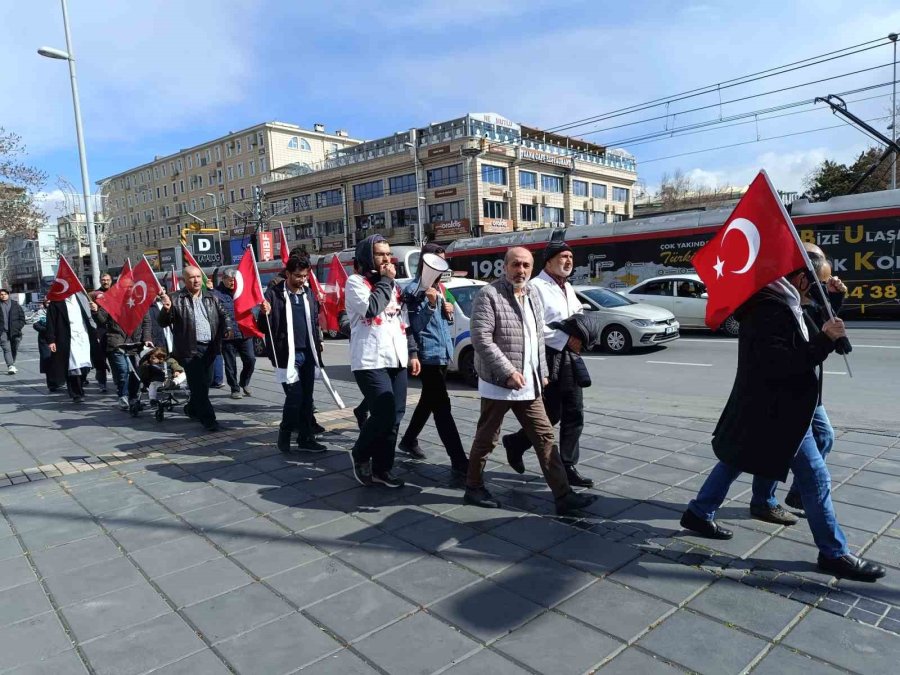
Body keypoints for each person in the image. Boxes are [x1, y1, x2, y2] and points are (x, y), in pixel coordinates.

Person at [679, 256, 885, 582]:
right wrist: (824, 340)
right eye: (818, 282)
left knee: (738, 458)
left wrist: (832, 302)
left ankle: (700, 512)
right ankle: (833, 552)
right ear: (803, 281)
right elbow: (782, 362)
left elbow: (815, 326)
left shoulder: (786, 300)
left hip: (781, 404)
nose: (819, 288)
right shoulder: (770, 308)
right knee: (816, 479)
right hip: (780, 407)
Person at [464, 247, 596, 516]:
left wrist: (542, 371)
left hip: (529, 383)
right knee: (487, 438)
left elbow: (537, 337)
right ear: (505, 266)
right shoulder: (489, 294)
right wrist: (507, 371)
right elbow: (481, 339)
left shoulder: (532, 293)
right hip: (499, 383)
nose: (520, 270)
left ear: (532, 267)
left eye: (525, 265)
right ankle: (473, 487)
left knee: (545, 437)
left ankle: (563, 495)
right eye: (515, 264)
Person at [503, 240, 593, 488]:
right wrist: (567, 338)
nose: (568, 261)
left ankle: (567, 465)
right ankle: (516, 443)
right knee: (551, 413)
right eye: (563, 256)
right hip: (549, 358)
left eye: (571, 258)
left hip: (570, 358)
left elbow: (577, 316)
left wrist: (581, 335)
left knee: (575, 412)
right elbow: (534, 326)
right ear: (549, 261)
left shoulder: (567, 287)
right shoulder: (536, 287)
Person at [345, 234, 420, 488]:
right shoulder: (356, 282)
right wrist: (386, 280)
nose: (387, 259)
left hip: (396, 358)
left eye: (389, 254)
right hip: (370, 359)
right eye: (380, 254)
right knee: (383, 412)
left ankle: (383, 468)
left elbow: (403, 322)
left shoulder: (394, 286)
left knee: (396, 415)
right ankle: (360, 453)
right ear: (368, 257)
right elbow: (371, 308)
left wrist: (412, 353)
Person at [397, 243, 469, 476]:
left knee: (428, 401)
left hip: (442, 353)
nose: (440, 267)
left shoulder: (439, 288)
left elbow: (441, 324)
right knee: (441, 406)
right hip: (428, 355)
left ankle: (408, 440)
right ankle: (459, 460)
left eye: (442, 261)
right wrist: (429, 305)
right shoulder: (413, 290)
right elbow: (414, 326)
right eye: (435, 262)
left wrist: (446, 312)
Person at [260, 255, 327, 453]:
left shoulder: (308, 293)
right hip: (286, 354)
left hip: (308, 352)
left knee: (307, 398)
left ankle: (306, 438)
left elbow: (313, 322)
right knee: (295, 396)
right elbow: (264, 328)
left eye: (305, 276)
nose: (302, 280)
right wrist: (264, 313)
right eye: (297, 276)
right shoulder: (274, 294)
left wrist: (318, 343)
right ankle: (285, 430)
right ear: (287, 274)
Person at [159, 265, 228, 432]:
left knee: (205, 384)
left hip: (210, 348)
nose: (196, 280)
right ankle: (209, 420)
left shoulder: (211, 297)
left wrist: (228, 327)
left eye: (198, 277)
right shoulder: (175, 298)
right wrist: (167, 310)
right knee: (197, 385)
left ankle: (191, 408)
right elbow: (163, 322)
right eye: (192, 277)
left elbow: (224, 315)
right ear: (184, 280)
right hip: (189, 349)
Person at [95, 307, 153, 409]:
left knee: (136, 371)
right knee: (123, 370)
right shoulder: (114, 300)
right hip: (117, 343)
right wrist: (95, 311)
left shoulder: (140, 302)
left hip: (135, 343)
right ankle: (123, 395)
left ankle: (133, 397)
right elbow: (101, 321)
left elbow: (147, 323)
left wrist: (147, 338)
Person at [45, 293, 97, 403]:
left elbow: (89, 317)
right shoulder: (56, 302)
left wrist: (94, 311)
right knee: (73, 367)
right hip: (67, 338)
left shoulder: (82, 298)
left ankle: (81, 384)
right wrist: (51, 340)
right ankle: (76, 393)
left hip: (83, 336)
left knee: (85, 366)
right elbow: (51, 322)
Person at [214, 268, 257, 399]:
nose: (233, 283)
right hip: (228, 334)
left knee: (250, 359)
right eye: (230, 281)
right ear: (224, 279)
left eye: (234, 281)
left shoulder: (242, 291)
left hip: (244, 332)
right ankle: (235, 388)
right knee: (230, 363)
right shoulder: (216, 294)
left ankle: (244, 382)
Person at [33, 300, 62, 391]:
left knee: (59, 360)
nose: (49, 304)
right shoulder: (40, 312)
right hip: (45, 339)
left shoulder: (58, 311)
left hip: (58, 338)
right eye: (47, 303)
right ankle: (51, 383)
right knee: (47, 359)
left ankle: (60, 380)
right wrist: (47, 330)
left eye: (50, 302)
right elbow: (36, 324)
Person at [91, 272, 113, 392]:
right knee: (101, 358)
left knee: (115, 357)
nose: (105, 282)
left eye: (107, 279)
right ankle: (102, 382)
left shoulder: (116, 292)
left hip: (115, 330)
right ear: (100, 281)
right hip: (101, 329)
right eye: (103, 280)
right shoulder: (95, 294)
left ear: (111, 280)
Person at [0, 288, 26, 375]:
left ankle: (12, 363)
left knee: (14, 348)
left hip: (15, 331)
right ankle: (10, 365)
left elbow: (22, 318)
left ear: (8, 295)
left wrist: (18, 327)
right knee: (6, 349)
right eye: (1, 294)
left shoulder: (15, 305)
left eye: (5, 294)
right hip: (2, 332)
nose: (3, 296)